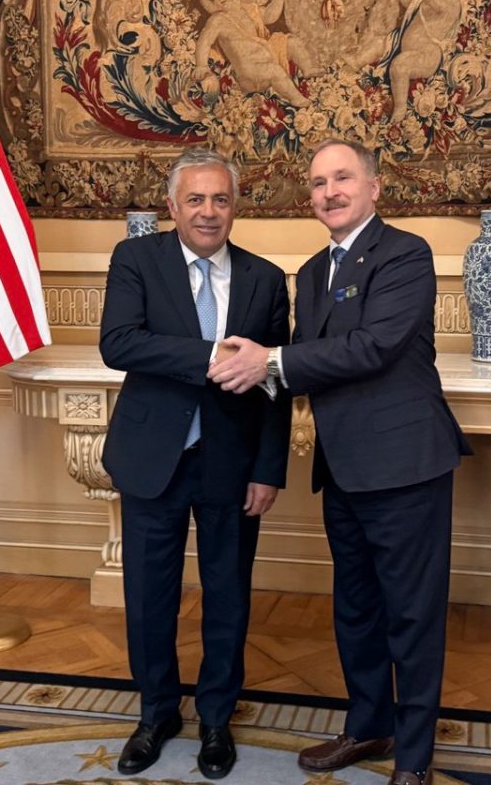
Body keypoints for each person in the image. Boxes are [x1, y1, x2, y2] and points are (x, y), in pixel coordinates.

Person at [209, 138, 471, 785]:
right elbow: (304, 367)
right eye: (319, 183)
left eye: (343, 178)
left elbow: (373, 347)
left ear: (374, 187)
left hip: (406, 466)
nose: (330, 192)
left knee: (412, 615)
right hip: (343, 468)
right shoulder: (309, 273)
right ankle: (368, 725)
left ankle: (414, 758)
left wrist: (270, 360)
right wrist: (243, 367)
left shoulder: (406, 254)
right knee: (355, 610)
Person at [100, 148, 291, 779]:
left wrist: (268, 468)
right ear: (172, 206)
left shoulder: (266, 278)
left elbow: (275, 383)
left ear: (235, 207)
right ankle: (156, 714)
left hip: (232, 464)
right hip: (153, 458)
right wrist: (213, 355)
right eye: (196, 199)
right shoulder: (136, 259)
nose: (209, 212)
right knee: (148, 596)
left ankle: (215, 719)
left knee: (228, 594)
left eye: (221, 199)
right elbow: (118, 343)